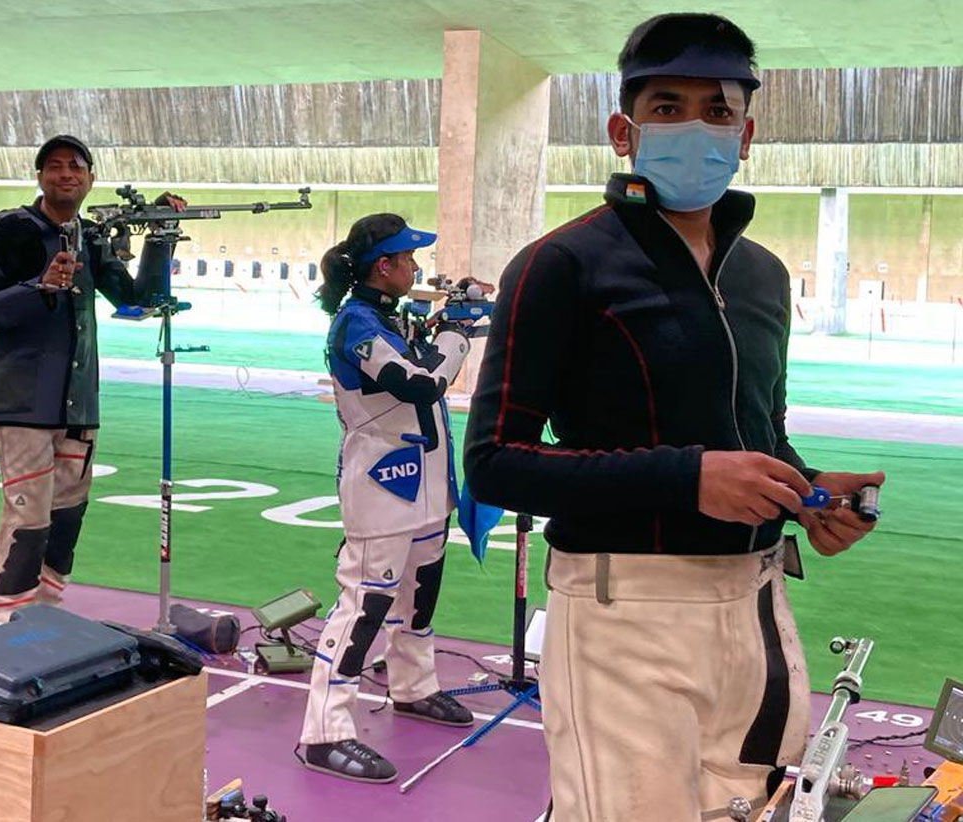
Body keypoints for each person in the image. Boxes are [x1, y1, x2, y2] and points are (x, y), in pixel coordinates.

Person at [463, 14, 885, 821]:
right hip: (624, 609)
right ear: (624, 130)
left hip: (759, 602)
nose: (696, 127)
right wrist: (686, 478)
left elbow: (760, 433)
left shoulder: (762, 275)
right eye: (668, 107)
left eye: (718, 111)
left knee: (757, 807)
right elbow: (494, 463)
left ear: (747, 133)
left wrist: (807, 490)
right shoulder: (561, 264)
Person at [0, 134, 186, 624]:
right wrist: (38, 286)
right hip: (23, 403)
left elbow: (138, 301)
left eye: (76, 167)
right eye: (55, 166)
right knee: (28, 520)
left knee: (66, 519)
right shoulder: (6, 230)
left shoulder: (90, 237)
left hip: (78, 405)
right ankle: (2, 624)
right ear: (39, 176)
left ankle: (43, 617)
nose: (66, 174)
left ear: (90, 179)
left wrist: (159, 236)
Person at [298, 213, 477, 783]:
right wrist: (457, 336)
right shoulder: (356, 325)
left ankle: (414, 686)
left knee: (417, 598)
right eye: (408, 259)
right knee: (364, 606)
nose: (416, 268)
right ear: (384, 266)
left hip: (423, 486)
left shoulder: (386, 316)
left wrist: (447, 322)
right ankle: (325, 733)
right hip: (383, 486)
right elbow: (419, 383)